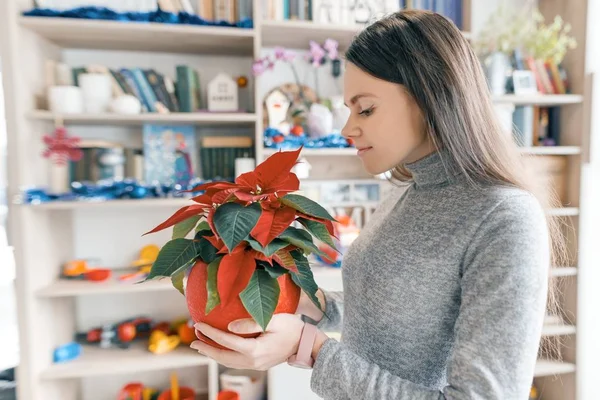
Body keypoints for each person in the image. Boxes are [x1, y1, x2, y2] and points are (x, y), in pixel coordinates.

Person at [190, 10, 562, 399]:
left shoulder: (505, 218)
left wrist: (311, 349)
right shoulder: (404, 191)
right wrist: (305, 300)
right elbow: (401, 310)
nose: (347, 128)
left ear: (430, 96)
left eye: (365, 108)